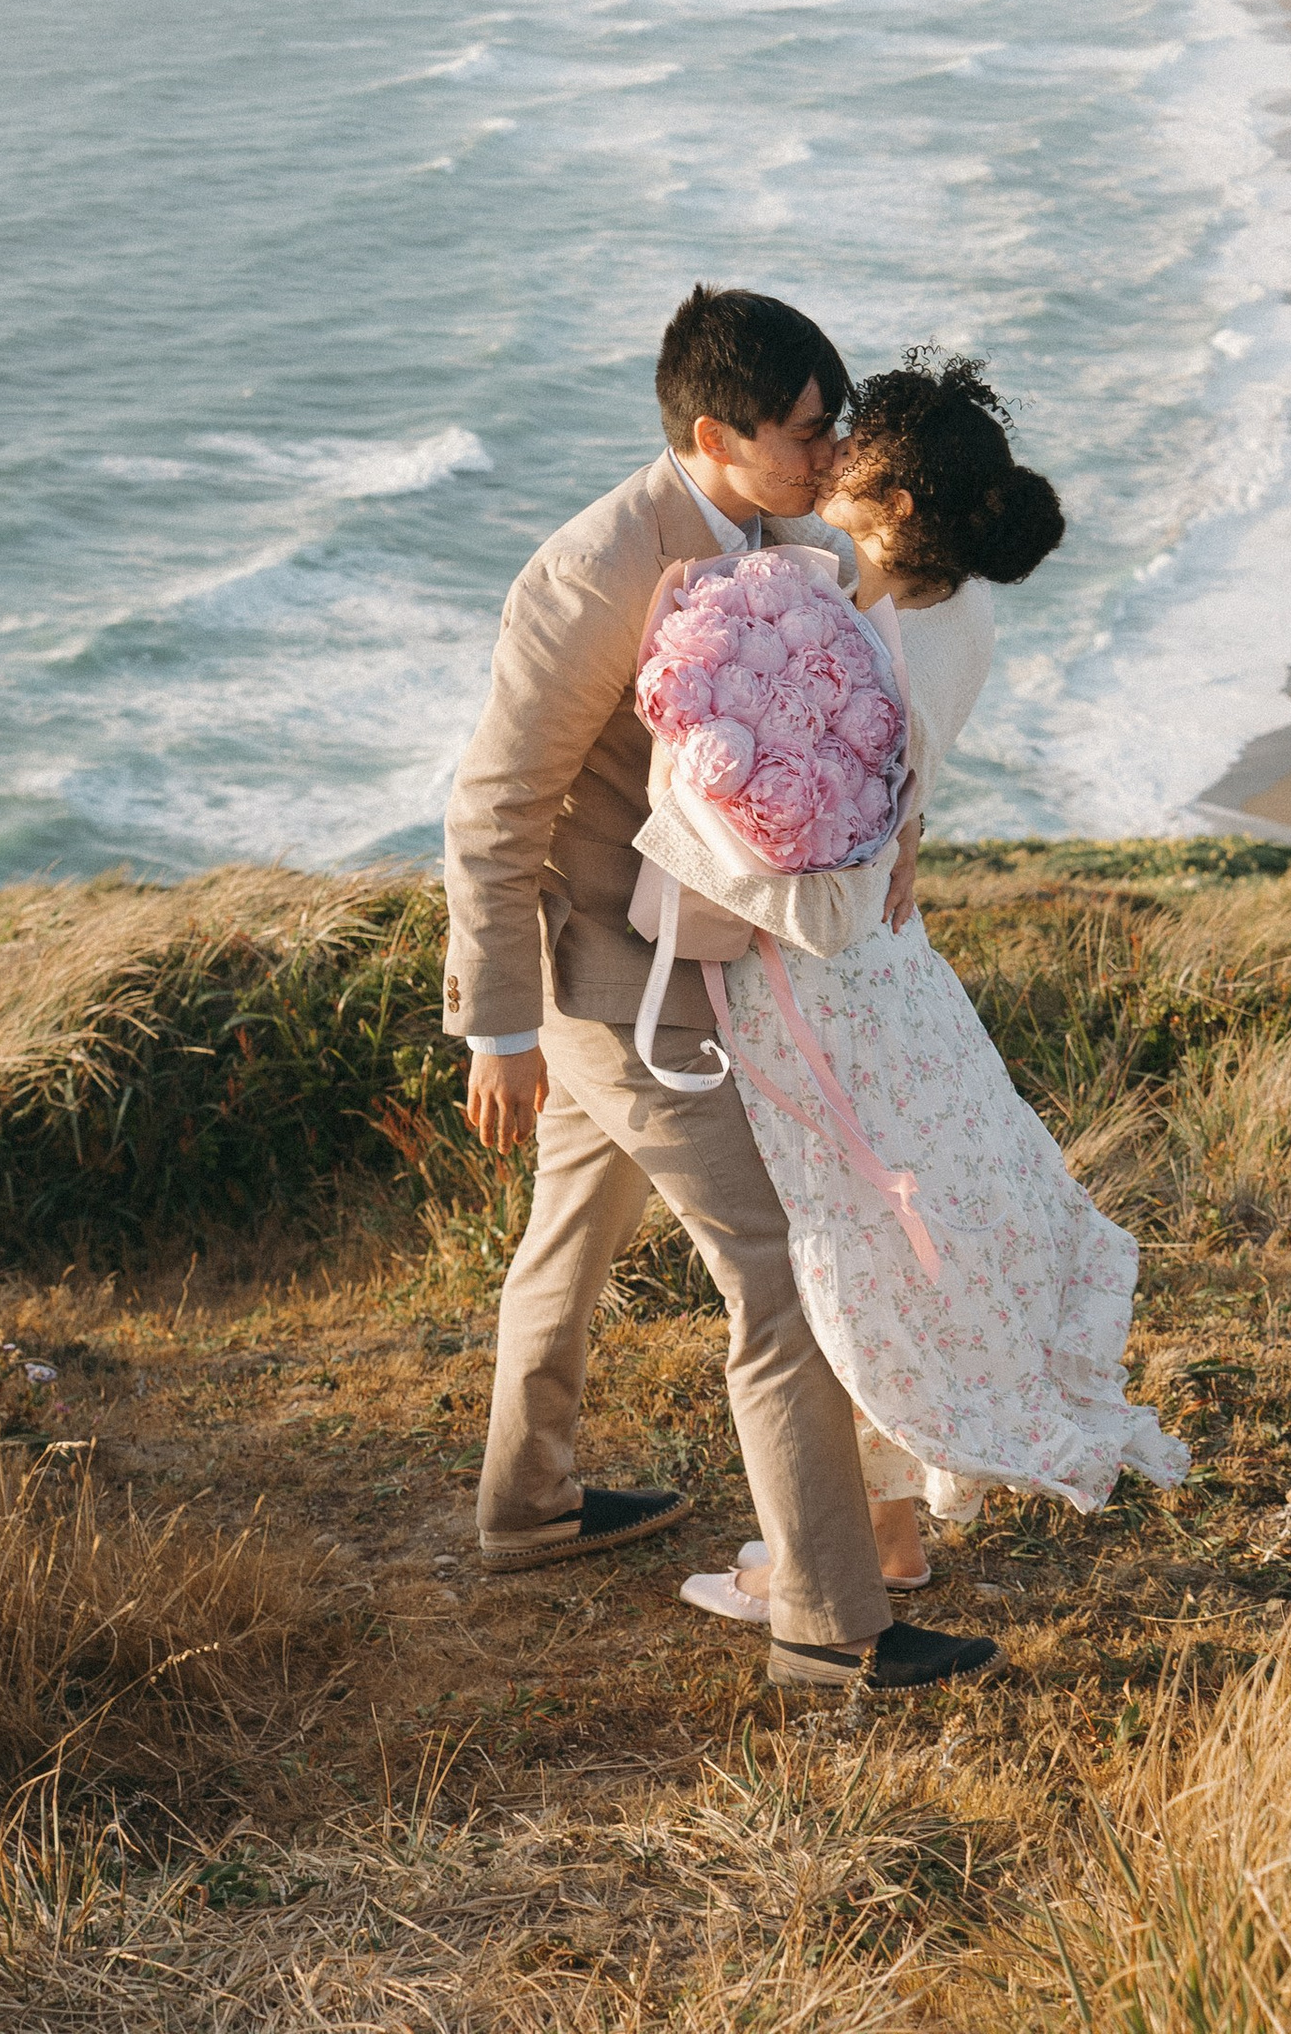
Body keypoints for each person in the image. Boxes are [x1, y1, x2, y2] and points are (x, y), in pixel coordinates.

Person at [443, 285, 1002, 1696]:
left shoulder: (784, 532)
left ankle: (530, 1505)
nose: (833, 457)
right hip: (605, 989)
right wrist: (502, 1028)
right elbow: (495, 807)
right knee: (780, 1273)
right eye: (810, 433)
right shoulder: (594, 573)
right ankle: (829, 1625)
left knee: (573, 1229)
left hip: (688, 957)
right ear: (715, 432)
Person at [676, 353, 1187, 1632]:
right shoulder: (958, 610)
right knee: (899, 1241)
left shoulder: (851, 620)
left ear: (898, 504)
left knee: (851, 1250)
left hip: (817, 975)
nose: (824, 462)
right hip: (894, 969)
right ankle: (888, 1531)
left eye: (850, 452)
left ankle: (848, 1549)